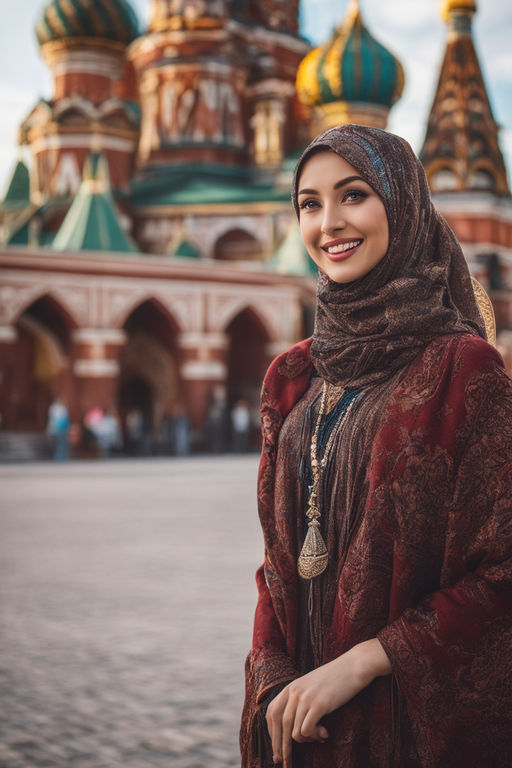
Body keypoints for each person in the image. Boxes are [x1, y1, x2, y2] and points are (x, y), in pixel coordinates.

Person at [240, 124, 512, 768]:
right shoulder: (292, 378)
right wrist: (273, 674)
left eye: (354, 195)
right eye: (309, 204)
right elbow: (278, 564)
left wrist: (366, 661)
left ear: (405, 205)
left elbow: (503, 568)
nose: (329, 222)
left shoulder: (463, 367)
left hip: (404, 725)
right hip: (299, 721)